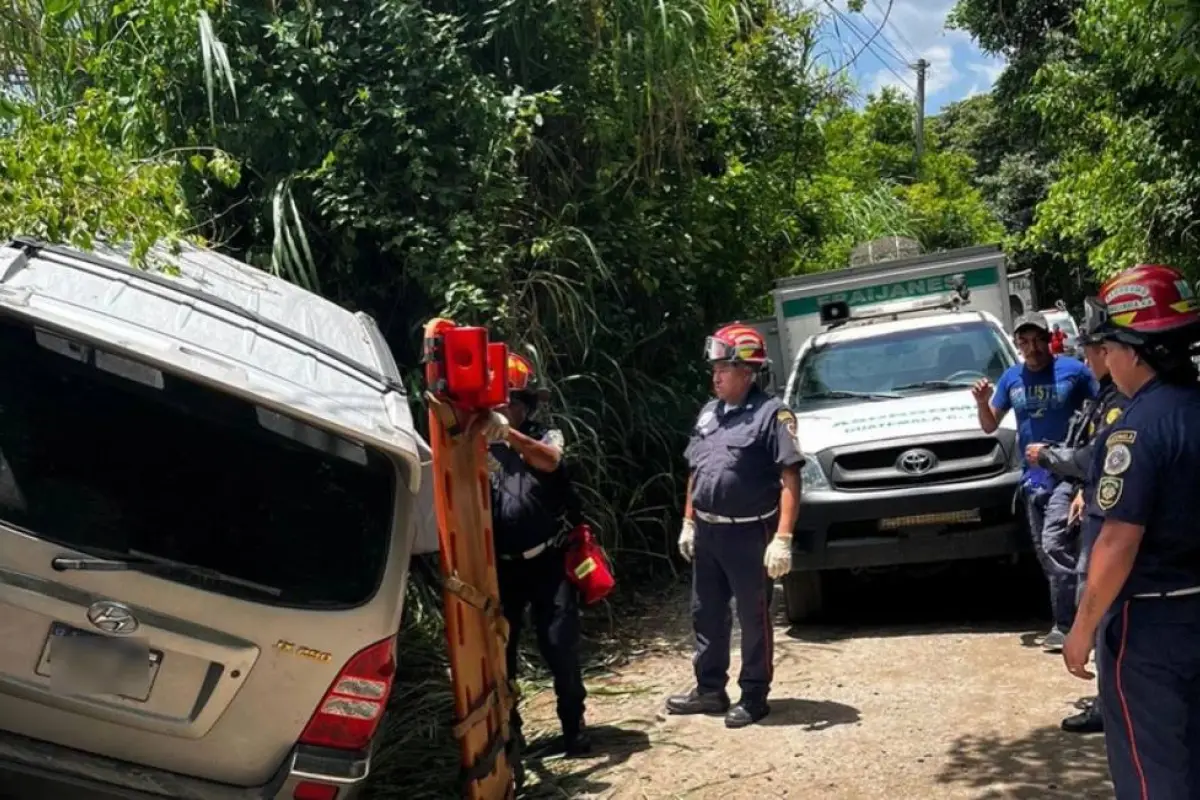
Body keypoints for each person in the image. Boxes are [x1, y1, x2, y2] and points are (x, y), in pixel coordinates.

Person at [1062, 264, 1200, 798]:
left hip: (1151, 627)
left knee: (1154, 773)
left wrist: (1081, 629)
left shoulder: (1138, 429)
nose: (1105, 360)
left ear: (1135, 350)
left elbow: (1118, 540)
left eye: (1109, 347)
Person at [666, 323, 803, 728]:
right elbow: (696, 469)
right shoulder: (708, 413)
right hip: (708, 534)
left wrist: (783, 538)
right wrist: (688, 522)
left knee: (754, 616)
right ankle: (710, 690)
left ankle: (755, 695)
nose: (715, 376)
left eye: (723, 368)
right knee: (705, 613)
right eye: (714, 369)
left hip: (750, 534)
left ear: (747, 371)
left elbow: (790, 479)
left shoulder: (772, 415)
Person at [482, 354, 589, 758]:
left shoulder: (546, 435)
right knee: (500, 655)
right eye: (494, 403)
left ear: (525, 404)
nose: (501, 409)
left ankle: (573, 727)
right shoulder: (476, 444)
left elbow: (552, 460)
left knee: (559, 645)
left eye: (508, 402)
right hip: (501, 570)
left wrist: (509, 436)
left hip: (548, 563)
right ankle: (511, 733)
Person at [972, 311, 1096, 652]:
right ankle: (1074, 619)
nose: (1032, 347)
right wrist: (983, 403)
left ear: (1048, 339)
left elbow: (1101, 411)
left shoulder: (1074, 371)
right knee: (1047, 553)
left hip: (1067, 473)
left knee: (1055, 545)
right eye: (1025, 342)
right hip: (1032, 480)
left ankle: (1071, 625)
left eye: (1038, 339)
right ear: (1018, 345)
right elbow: (989, 425)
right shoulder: (1011, 378)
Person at [1026, 324, 1127, 734]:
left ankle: (1109, 705)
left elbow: (1097, 458)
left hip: (1107, 513)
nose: (1086, 356)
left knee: (1097, 595)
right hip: (1088, 496)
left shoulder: (1119, 401)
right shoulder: (1105, 395)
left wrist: (1049, 457)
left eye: (1092, 349)